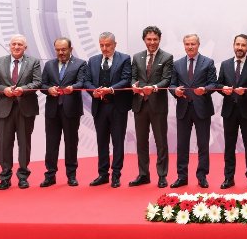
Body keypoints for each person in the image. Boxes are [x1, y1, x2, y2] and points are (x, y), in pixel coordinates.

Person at [0, 35, 42, 190]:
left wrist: (22, 89)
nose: (16, 47)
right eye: (14, 44)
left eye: (20, 44)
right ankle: (5, 177)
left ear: (25, 47)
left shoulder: (34, 62)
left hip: (26, 108)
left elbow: (38, 82)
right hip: (4, 108)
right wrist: (4, 89)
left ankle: (23, 176)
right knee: (5, 144)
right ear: (9, 46)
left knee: (24, 144)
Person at [169, 34, 217, 189]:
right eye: (187, 44)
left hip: (202, 109)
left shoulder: (208, 62)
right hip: (183, 109)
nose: (190, 47)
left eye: (193, 44)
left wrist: (205, 90)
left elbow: (213, 84)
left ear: (198, 45)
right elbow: (171, 85)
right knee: (182, 145)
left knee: (203, 145)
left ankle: (202, 176)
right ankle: (181, 177)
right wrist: (175, 91)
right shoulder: (177, 64)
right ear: (184, 45)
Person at [85, 32, 132, 188]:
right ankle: (103, 174)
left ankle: (116, 175)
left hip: (118, 107)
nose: (104, 48)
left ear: (115, 44)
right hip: (99, 107)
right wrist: (93, 91)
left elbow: (126, 79)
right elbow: (87, 81)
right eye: (102, 45)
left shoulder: (124, 59)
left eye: (108, 45)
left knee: (118, 142)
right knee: (102, 142)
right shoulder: (92, 60)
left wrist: (110, 90)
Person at [40, 37, 87, 187]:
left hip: (71, 109)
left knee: (71, 143)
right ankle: (50, 175)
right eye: (58, 50)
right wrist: (49, 89)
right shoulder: (49, 65)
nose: (60, 52)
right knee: (51, 143)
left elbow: (82, 82)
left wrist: (73, 87)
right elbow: (42, 84)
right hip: (52, 110)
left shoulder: (80, 63)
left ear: (70, 49)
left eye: (63, 49)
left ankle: (71, 175)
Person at [217, 34, 247, 190]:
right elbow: (218, 84)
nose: (240, 48)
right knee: (229, 146)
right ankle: (228, 178)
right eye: (238, 44)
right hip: (229, 111)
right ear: (233, 45)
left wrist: (246, 91)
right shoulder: (225, 64)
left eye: (243, 45)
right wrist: (223, 89)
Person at [130, 26, 173, 189]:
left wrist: (154, 87)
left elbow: (167, 79)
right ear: (144, 40)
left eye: (155, 39)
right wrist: (133, 86)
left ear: (159, 39)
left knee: (161, 142)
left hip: (158, 105)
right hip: (140, 104)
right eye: (149, 39)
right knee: (141, 142)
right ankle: (143, 174)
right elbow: (133, 77)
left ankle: (162, 175)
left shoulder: (167, 57)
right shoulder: (137, 57)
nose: (152, 42)